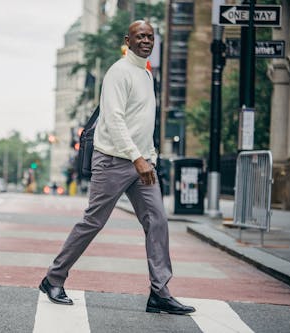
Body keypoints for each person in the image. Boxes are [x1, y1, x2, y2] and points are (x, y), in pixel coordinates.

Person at [39, 20, 195, 315]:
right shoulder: (118, 72)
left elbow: (143, 124)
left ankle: (160, 292)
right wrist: (136, 157)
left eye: (149, 36)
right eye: (140, 36)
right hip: (113, 160)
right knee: (93, 221)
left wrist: (149, 157)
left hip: (141, 163)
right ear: (128, 40)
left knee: (158, 221)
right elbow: (114, 120)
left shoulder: (147, 76)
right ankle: (53, 278)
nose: (145, 41)